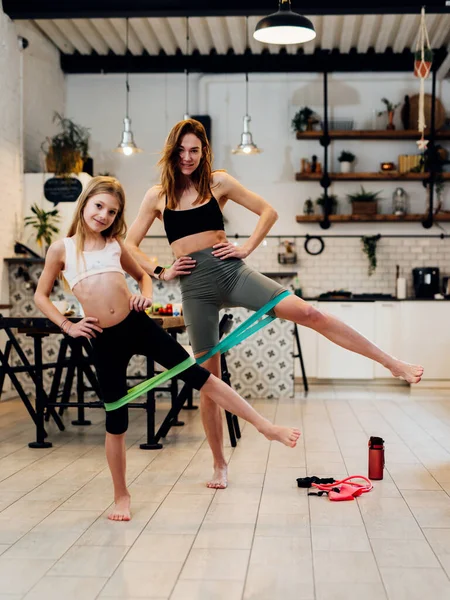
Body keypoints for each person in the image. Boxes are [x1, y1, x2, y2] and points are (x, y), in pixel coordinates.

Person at [126, 119, 424, 490]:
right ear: (172, 151)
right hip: (194, 289)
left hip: (231, 272)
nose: (187, 157)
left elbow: (268, 212)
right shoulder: (157, 196)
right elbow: (128, 243)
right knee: (209, 381)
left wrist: (247, 247)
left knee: (309, 312)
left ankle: (391, 363)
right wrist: (161, 270)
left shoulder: (218, 182)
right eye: (182, 150)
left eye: (195, 150)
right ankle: (220, 465)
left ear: (204, 153)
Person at [34, 176, 301, 521]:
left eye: (112, 212)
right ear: (84, 203)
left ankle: (266, 427)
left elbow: (146, 275)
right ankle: (121, 496)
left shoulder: (117, 245)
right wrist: (68, 325)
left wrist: (145, 292)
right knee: (116, 421)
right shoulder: (62, 249)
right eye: (99, 206)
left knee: (200, 377)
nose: (103, 215)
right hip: (102, 339)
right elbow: (40, 295)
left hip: (137, 325)